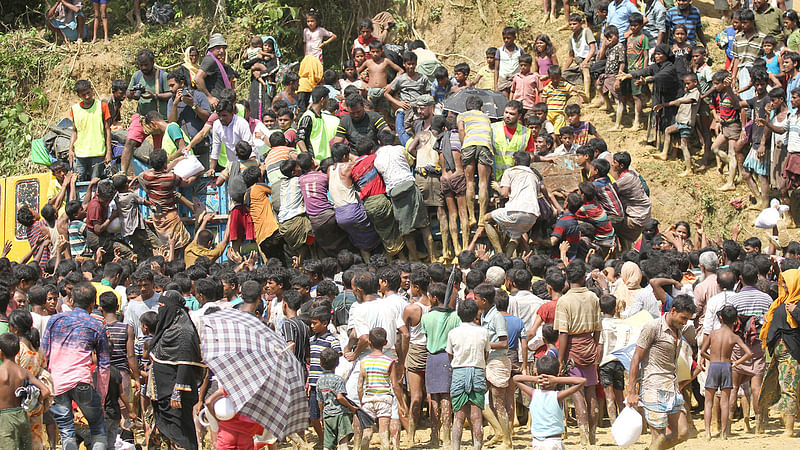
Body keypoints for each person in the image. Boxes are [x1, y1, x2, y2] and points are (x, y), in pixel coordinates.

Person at [41, 282, 109, 450]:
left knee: (66, 431)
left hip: (57, 383)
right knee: (98, 426)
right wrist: (101, 394)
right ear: (93, 304)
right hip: (82, 382)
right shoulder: (97, 326)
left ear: (71, 301)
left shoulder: (55, 320)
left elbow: (44, 353)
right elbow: (104, 365)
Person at [627, 295, 695, 450]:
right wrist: (632, 391)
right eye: (683, 318)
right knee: (659, 437)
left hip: (672, 387)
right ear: (673, 310)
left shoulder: (680, 329)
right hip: (653, 387)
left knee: (683, 433)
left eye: (687, 319)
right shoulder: (653, 327)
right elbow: (636, 358)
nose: (684, 322)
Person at [554, 260, 601, 445]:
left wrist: (560, 358)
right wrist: (595, 347)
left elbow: (563, 332)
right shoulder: (593, 298)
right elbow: (598, 328)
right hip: (589, 344)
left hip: (572, 348)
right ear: (584, 277)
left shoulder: (564, 300)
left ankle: (583, 436)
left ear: (567, 277)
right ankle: (592, 436)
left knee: (577, 393)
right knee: (591, 391)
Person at [700, 305, 753, 440]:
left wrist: (711, 358)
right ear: (735, 321)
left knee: (708, 401)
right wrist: (736, 363)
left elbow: (702, 351)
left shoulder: (713, 334)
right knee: (725, 402)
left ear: (721, 318)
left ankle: (707, 432)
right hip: (726, 366)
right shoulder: (734, 337)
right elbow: (748, 353)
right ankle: (724, 433)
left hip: (714, 366)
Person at [513, 355, 586, 450]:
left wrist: (536, 378)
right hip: (553, 442)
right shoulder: (558, 396)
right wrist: (556, 379)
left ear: (536, 372)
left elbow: (516, 379)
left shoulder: (534, 393)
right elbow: (581, 381)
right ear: (557, 374)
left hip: (537, 442)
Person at [760, 268, 800, 436]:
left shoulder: (796, 304)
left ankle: (789, 430)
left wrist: (796, 312)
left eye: (786, 282)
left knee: (789, 388)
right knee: (779, 386)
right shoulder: (780, 302)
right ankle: (763, 423)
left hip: (792, 353)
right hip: (778, 353)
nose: (782, 285)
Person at [447, 299, 489, 450]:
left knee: (458, 417)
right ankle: (477, 447)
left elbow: (450, 356)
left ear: (459, 314)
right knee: (477, 417)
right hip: (477, 371)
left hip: (459, 372)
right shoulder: (483, 332)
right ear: (476, 314)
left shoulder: (453, 333)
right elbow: (486, 354)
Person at [121, 49, 171, 175]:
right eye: (141, 65)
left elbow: (172, 94)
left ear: (153, 62)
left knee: (159, 150)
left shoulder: (162, 76)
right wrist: (132, 94)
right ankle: (123, 172)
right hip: (142, 117)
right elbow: (127, 93)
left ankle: (160, 174)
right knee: (129, 142)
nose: (143, 67)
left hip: (160, 119)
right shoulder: (137, 76)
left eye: (146, 65)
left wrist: (155, 96)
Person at [0, 332, 51, 450]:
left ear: (1, 352)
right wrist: (33, 405)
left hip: (4, 418)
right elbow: (45, 390)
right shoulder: (23, 373)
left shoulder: (1, 372)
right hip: (22, 415)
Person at [484, 151, 540, 256]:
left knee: (486, 219)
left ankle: (499, 253)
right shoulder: (534, 176)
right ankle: (507, 258)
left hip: (516, 211)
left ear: (515, 161)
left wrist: (497, 187)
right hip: (532, 216)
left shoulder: (510, 171)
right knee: (515, 236)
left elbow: (504, 193)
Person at [358, 327, 404, 450]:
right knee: (384, 432)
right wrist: (401, 403)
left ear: (369, 342)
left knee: (367, 432)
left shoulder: (363, 361)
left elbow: (359, 385)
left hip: (368, 399)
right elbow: (395, 385)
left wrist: (362, 400)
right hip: (384, 399)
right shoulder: (389, 361)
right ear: (385, 342)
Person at [654, 72, 701, 176]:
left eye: (688, 83)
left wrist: (668, 103)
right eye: (685, 84)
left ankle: (689, 169)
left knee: (684, 145)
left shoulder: (695, 93)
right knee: (668, 130)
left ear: (695, 82)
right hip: (680, 122)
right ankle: (664, 153)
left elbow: (687, 101)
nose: (686, 86)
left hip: (686, 123)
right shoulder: (688, 92)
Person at [166, 68, 212, 166]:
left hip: (201, 146)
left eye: (172, 85)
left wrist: (193, 105)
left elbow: (207, 118)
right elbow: (171, 123)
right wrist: (175, 105)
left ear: (182, 83)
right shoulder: (172, 101)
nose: (170, 89)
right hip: (183, 150)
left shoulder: (199, 96)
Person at [69, 80, 112, 181]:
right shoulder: (75, 109)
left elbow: (107, 130)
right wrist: (70, 149)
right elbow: (74, 131)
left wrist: (109, 151)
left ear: (92, 90)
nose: (87, 96)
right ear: (79, 95)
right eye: (84, 95)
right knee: (78, 181)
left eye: (88, 93)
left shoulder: (102, 106)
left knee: (95, 182)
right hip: (80, 154)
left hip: (98, 153)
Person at [317, 347, 357, 450]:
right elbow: (340, 397)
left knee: (328, 445)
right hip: (340, 415)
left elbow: (320, 402)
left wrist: (322, 415)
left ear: (320, 363)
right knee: (343, 443)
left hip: (328, 415)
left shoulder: (319, 381)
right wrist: (351, 407)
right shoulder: (339, 380)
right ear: (337, 364)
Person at [195, 33, 236, 109]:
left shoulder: (220, 64)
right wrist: (209, 97)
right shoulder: (210, 60)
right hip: (214, 104)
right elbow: (198, 79)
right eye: (218, 48)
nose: (222, 51)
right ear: (211, 49)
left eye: (223, 48)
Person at [297, 86, 338, 161]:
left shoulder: (320, 116)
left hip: (323, 160)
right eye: (327, 99)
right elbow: (300, 139)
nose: (328, 102)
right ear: (322, 100)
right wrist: (310, 159)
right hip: (314, 162)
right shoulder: (308, 117)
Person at [494, 27, 523, 93]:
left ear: (514, 38)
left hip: (516, 79)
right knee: (504, 101)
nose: (506, 40)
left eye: (508, 38)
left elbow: (524, 63)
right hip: (504, 80)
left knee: (516, 101)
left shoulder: (519, 50)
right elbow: (496, 69)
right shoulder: (499, 51)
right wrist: (495, 85)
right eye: (504, 38)